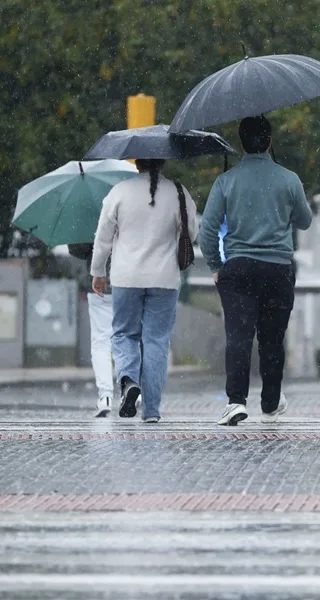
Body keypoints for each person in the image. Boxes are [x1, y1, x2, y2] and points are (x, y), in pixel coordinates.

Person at [201, 116, 313, 427]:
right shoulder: (288, 179)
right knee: (272, 339)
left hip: (237, 268)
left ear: (241, 143)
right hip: (278, 268)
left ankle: (236, 401)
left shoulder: (226, 181)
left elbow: (208, 229)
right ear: (270, 141)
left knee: (238, 336)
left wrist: (215, 265)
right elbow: (305, 221)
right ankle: (271, 401)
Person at [91, 158, 198, 423]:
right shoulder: (178, 192)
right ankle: (151, 410)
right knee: (156, 341)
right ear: (163, 163)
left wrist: (97, 271)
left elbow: (103, 236)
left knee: (124, 333)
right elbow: (192, 233)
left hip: (126, 277)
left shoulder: (120, 191)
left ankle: (128, 381)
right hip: (165, 278)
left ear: (137, 163)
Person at [68, 243, 114, 417]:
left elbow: (75, 248)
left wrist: (93, 247)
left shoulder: (86, 217)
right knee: (128, 338)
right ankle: (132, 390)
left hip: (97, 282)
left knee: (101, 342)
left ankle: (105, 396)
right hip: (128, 280)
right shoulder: (132, 213)